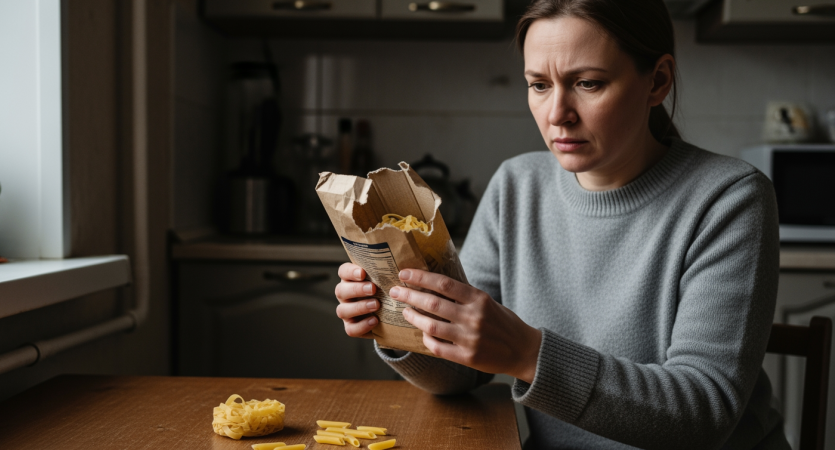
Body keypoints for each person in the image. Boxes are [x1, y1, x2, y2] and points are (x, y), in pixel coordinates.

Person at [334, 0, 787, 448]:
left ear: (658, 81)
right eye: (539, 85)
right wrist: (399, 322)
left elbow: (704, 412)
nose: (557, 114)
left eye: (588, 83)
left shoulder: (730, 198)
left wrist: (527, 353)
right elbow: (464, 368)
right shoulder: (516, 185)